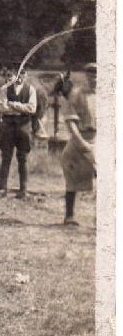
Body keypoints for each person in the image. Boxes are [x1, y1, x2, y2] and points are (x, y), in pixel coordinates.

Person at [61, 63, 97, 225]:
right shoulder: (76, 94)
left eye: (97, 75)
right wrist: (80, 142)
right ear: (85, 75)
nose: (94, 78)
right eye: (91, 75)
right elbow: (71, 122)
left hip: (99, 140)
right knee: (72, 176)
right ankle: (69, 216)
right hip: (79, 139)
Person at [0, 68, 38, 199]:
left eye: (22, 73)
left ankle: (23, 190)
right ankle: (3, 189)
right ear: (13, 75)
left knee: (23, 159)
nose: (20, 76)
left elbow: (32, 108)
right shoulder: (5, 89)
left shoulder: (30, 90)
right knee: (6, 158)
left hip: (23, 129)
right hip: (8, 128)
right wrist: (21, 109)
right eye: (17, 73)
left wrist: (13, 104)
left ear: (26, 75)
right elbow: (2, 108)